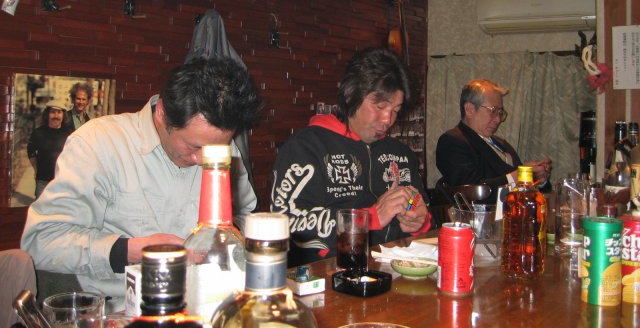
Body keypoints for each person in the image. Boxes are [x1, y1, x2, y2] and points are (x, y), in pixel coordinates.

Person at [21, 56, 261, 312]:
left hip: (206, 306)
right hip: (121, 311)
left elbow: (244, 217)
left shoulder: (225, 151)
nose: (205, 160)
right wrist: (129, 250)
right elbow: (41, 241)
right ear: (162, 113)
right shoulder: (99, 144)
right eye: (194, 147)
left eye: (218, 146)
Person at [270, 47, 431, 266]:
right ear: (350, 95)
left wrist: (419, 221)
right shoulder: (306, 148)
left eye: (395, 110)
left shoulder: (401, 154)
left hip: (396, 271)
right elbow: (286, 222)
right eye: (380, 106)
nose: (387, 119)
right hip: (329, 274)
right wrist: (368, 218)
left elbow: (421, 214)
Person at [435, 78, 551, 192]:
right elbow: (470, 191)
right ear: (470, 109)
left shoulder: (501, 143)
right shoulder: (452, 141)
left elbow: (520, 186)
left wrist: (537, 178)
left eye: (500, 112)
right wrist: (519, 175)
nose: (498, 119)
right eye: (493, 111)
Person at [27, 99, 71, 198]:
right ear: (47, 114)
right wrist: (36, 168)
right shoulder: (38, 133)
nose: (56, 116)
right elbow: (31, 151)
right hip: (43, 181)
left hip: (62, 182)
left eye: (59, 112)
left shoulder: (68, 134)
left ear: (63, 115)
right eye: (53, 112)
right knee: (40, 207)